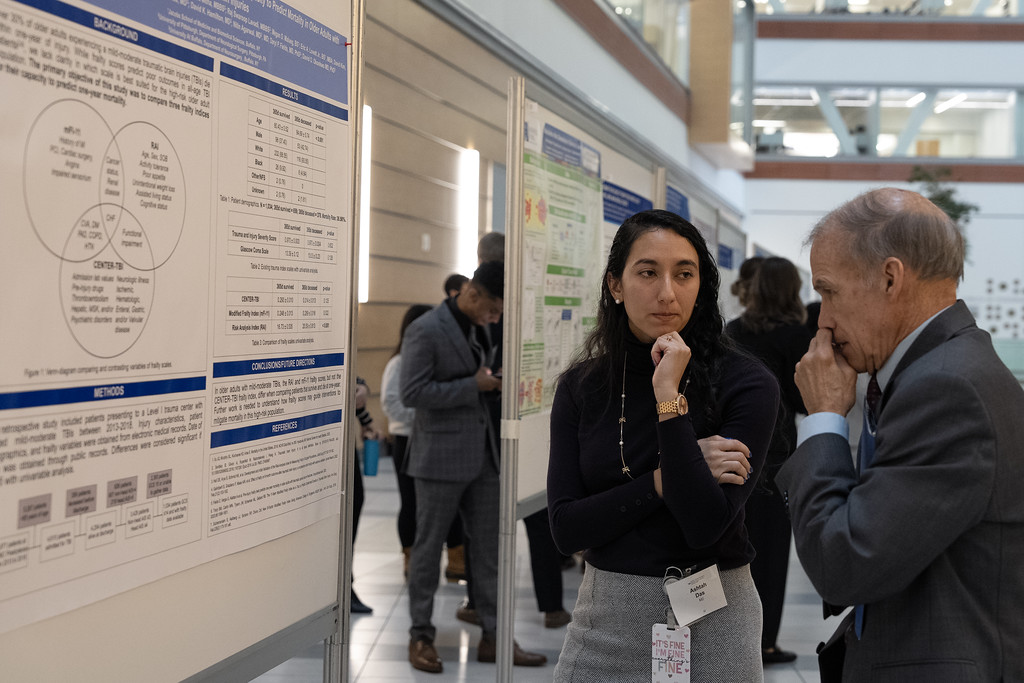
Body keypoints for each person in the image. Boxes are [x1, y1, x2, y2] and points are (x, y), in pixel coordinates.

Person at [776, 188, 1024, 681]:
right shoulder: (937, 369)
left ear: (890, 278)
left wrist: (824, 417)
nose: (823, 320)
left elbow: (843, 563)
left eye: (829, 292)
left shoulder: (946, 388)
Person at [547, 209, 780, 681]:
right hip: (605, 616)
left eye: (684, 274)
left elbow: (704, 525)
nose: (667, 292)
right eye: (648, 272)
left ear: (702, 286)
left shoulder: (747, 382)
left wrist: (669, 398)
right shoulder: (582, 386)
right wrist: (664, 478)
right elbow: (567, 530)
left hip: (716, 619)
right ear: (616, 285)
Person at [400, 261, 546, 673]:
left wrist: (495, 383)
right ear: (472, 293)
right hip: (438, 459)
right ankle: (420, 636)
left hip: (485, 457)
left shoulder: (481, 327)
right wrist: (474, 386)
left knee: (490, 552)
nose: (495, 319)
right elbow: (412, 392)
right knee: (428, 551)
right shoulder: (426, 329)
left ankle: (495, 637)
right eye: (493, 310)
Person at [725, 257, 813, 664]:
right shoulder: (796, 336)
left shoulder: (733, 331)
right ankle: (764, 643)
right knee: (772, 554)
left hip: (731, 452)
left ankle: (731, 636)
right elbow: (804, 399)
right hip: (776, 458)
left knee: (733, 547)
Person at [380, 304, 466, 580]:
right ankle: (411, 559)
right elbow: (391, 404)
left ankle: (456, 559)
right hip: (407, 440)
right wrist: (427, 415)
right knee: (411, 503)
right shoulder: (398, 362)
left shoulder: (437, 359)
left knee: (449, 501)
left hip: (437, 440)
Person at [350, 376, 379, 614]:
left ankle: (343, 586)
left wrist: (362, 389)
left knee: (353, 504)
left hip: (339, 441)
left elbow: (352, 378)